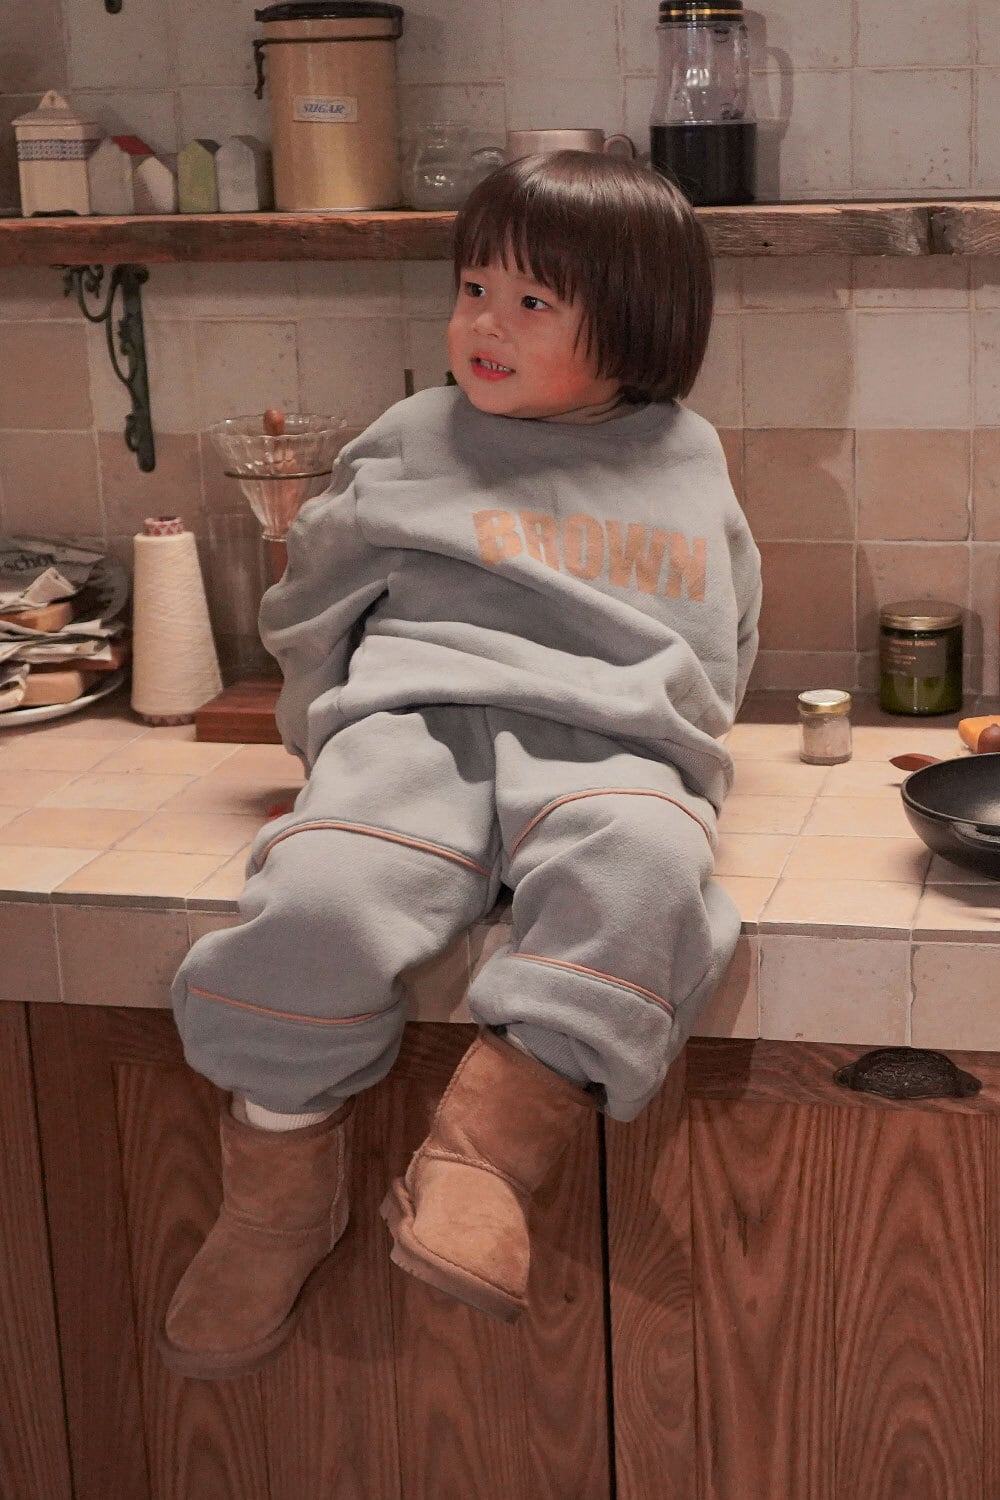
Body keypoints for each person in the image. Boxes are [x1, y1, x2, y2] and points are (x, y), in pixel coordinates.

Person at [159, 150, 762, 1380]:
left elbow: (726, 628)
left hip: (608, 735)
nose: (484, 324)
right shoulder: (410, 439)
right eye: (473, 289)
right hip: (413, 722)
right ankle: (278, 1183)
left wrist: (682, 755)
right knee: (319, 891)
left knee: (647, 871)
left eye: (531, 302)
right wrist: (325, 737)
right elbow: (315, 601)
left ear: (636, 324)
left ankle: (488, 1154)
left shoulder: (685, 456)